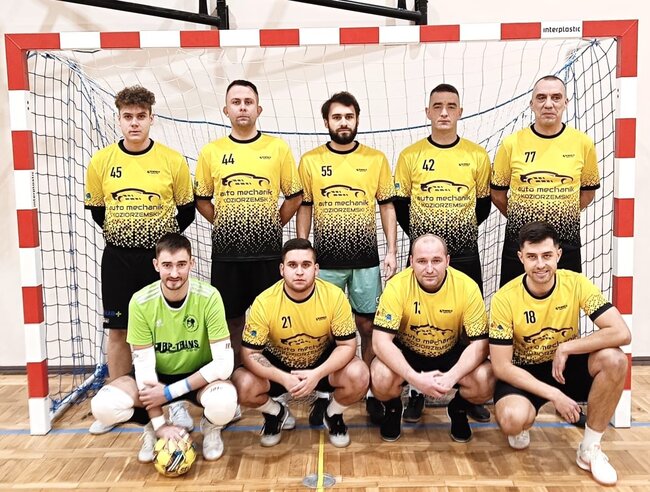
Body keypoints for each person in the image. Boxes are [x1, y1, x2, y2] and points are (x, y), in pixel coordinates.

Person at [84, 85, 195, 434]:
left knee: (166, 330)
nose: (134, 123)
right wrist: (128, 235)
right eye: (128, 116)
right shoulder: (101, 161)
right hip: (118, 259)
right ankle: (120, 403)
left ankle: (173, 404)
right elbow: (98, 211)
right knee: (118, 331)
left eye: (141, 116)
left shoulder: (172, 160)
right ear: (118, 119)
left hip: (157, 260)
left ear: (151, 118)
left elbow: (186, 211)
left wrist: (156, 243)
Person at [489, 221, 630, 486]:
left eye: (546, 255)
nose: (540, 264)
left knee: (615, 359)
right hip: (525, 371)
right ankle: (523, 424)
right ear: (520, 257)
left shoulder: (575, 283)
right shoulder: (504, 298)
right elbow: (501, 366)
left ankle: (590, 449)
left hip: (564, 367)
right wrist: (555, 395)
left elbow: (621, 332)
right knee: (511, 420)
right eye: (532, 256)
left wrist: (566, 347)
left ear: (558, 254)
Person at [90, 233, 238, 463]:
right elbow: (144, 368)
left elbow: (224, 364)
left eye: (181, 264)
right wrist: (160, 424)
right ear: (156, 265)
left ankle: (211, 427)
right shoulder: (140, 301)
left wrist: (169, 392)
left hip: (198, 376)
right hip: (156, 377)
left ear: (192, 263)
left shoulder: (209, 297)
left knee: (225, 402)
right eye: (167, 265)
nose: (174, 273)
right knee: (102, 406)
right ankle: (151, 429)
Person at [393, 83, 492, 424]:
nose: (444, 112)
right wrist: (428, 243)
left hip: (464, 252)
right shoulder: (410, 156)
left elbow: (482, 205)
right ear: (428, 112)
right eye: (438, 106)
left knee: (466, 325)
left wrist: (454, 237)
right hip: (425, 257)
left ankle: (465, 396)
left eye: (451, 106)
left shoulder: (477, 155)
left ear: (460, 112)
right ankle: (417, 391)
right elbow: (402, 206)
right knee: (418, 321)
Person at [296, 91, 397, 424]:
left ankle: (370, 392)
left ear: (357, 120)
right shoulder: (310, 161)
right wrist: (303, 250)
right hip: (326, 261)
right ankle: (324, 394)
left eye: (349, 117)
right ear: (326, 122)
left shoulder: (375, 159)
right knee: (325, 330)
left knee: (367, 325)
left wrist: (392, 251)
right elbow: (305, 206)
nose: (343, 122)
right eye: (337, 117)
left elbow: (387, 206)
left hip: (365, 260)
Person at [194, 80, 303, 365]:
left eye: (248, 102)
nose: (242, 107)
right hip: (227, 256)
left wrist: (274, 223)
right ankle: (235, 378)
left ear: (259, 109)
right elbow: (202, 199)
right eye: (236, 102)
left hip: (268, 255)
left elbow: (295, 195)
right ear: (226, 110)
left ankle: (277, 382)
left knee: (275, 321)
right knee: (231, 321)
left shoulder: (277, 148)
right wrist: (225, 222)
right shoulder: (211, 151)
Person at [231, 238, 369, 448]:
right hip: (279, 367)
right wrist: (283, 378)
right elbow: (249, 353)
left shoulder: (334, 296)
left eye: (306, 265)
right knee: (241, 384)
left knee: (359, 374)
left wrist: (317, 374)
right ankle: (275, 413)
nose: (299, 272)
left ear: (316, 269)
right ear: (282, 269)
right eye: (292, 265)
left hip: (321, 365)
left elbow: (347, 346)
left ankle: (333, 414)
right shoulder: (265, 301)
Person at [371, 234, 494, 443]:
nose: (429, 269)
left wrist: (452, 377)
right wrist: (413, 378)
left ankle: (458, 410)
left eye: (436, 261)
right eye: (422, 261)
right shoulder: (397, 286)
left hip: (449, 352)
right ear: (411, 262)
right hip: (408, 353)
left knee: (487, 378)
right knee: (379, 375)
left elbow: (481, 344)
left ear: (447, 261)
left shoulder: (467, 286)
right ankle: (393, 409)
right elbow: (379, 342)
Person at [491, 75, 600, 287]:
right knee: (514, 303)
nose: (548, 104)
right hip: (520, 243)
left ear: (566, 102)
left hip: (565, 244)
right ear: (531, 104)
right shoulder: (511, 144)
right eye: (541, 97)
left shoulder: (583, 143)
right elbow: (497, 195)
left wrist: (562, 213)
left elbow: (587, 193)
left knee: (566, 304)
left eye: (556, 97)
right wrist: (524, 219)